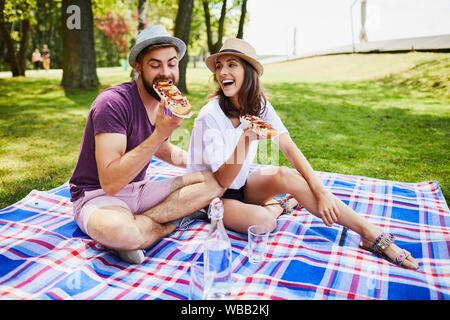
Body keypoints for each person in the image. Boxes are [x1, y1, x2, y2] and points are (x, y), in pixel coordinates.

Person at [186, 38, 419, 270]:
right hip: (212, 197)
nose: (222, 72)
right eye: (219, 66)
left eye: (231, 64)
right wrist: (246, 140)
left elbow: (289, 148)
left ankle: (371, 234)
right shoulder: (211, 115)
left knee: (288, 176)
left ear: (248, 72)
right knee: (264, 222)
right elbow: (222, 180)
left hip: (240, 186)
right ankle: (279, 206)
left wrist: (322, 192)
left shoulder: (259, 106)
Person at [69, 25, 224, 264]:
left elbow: (161, 149)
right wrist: (160, 132)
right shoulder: (111, 103)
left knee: (216, 180)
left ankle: (142, 227)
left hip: (140, 190)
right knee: (123, 232)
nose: (166, 72)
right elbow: (110, 183)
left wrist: (200, 162)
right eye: (155, 65)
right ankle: (166, 223)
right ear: (138, 67)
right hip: (97, 196)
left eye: (171, 64)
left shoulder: (160, 101)